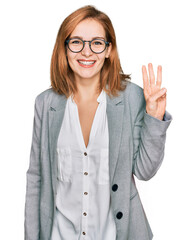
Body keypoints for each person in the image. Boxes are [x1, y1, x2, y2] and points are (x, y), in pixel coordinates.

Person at [24, 5, 172, 240]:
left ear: (108, 50)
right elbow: (36, 177)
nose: (86, 52)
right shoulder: (45, 103)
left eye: (96, 42)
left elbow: (144, 171)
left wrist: (153, 117)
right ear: (64, 48)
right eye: (76, 42)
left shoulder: (132, 98)